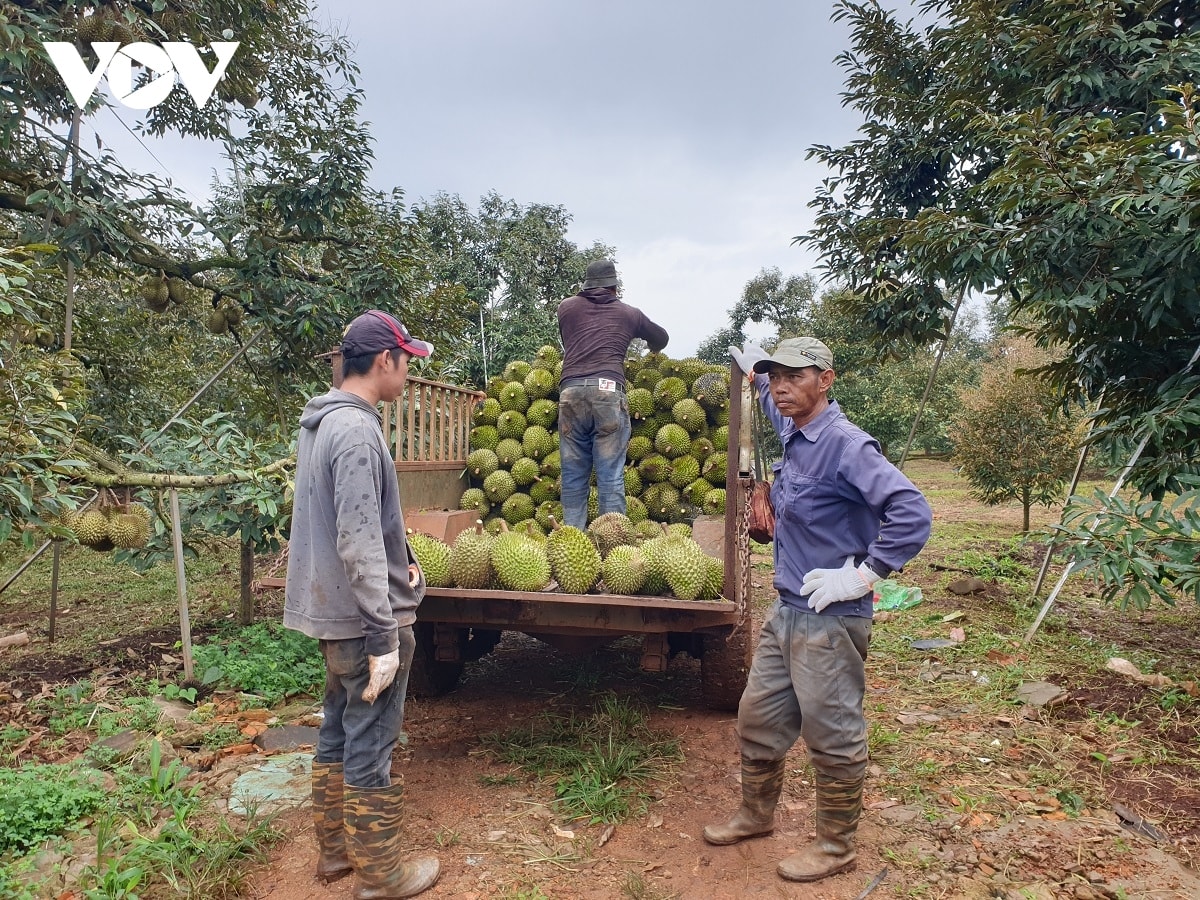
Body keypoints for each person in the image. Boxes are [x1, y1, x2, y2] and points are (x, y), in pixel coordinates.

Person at [704, 337, 932, 883]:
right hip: (787, 611)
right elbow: (766, 393)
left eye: (795, 376)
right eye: (775, 376)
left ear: (826, 379)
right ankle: (756, 816)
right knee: (757, 718)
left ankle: (836, 847)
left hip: (830, 618)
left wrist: (862, 574)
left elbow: (912, 511)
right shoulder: (791, 426)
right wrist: (754, 369)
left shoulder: (846, 446)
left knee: (832, 733)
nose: (782, 386)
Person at [284, 310, 440, 899]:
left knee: (337, 728)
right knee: (371, 738)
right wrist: (383, 636)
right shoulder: (355, 431)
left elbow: (351, 523)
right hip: (365, 621)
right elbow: (356, 538)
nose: (409, 373)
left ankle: (334, 854)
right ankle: (381, 877)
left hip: (334, 616)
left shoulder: (322, 422)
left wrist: (400, 557)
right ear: (384, 361)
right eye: (407, 361)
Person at [556, 258, 670, 529]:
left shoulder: (566, 308)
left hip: (570, 391)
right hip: (608, 391)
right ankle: (612, 541)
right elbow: (662, 338)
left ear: (585, 285)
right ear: (614, 287)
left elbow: (569, 339)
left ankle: (572, 539)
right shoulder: (629, 313)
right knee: (610, 473)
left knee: (573, 473)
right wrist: (650, 345)